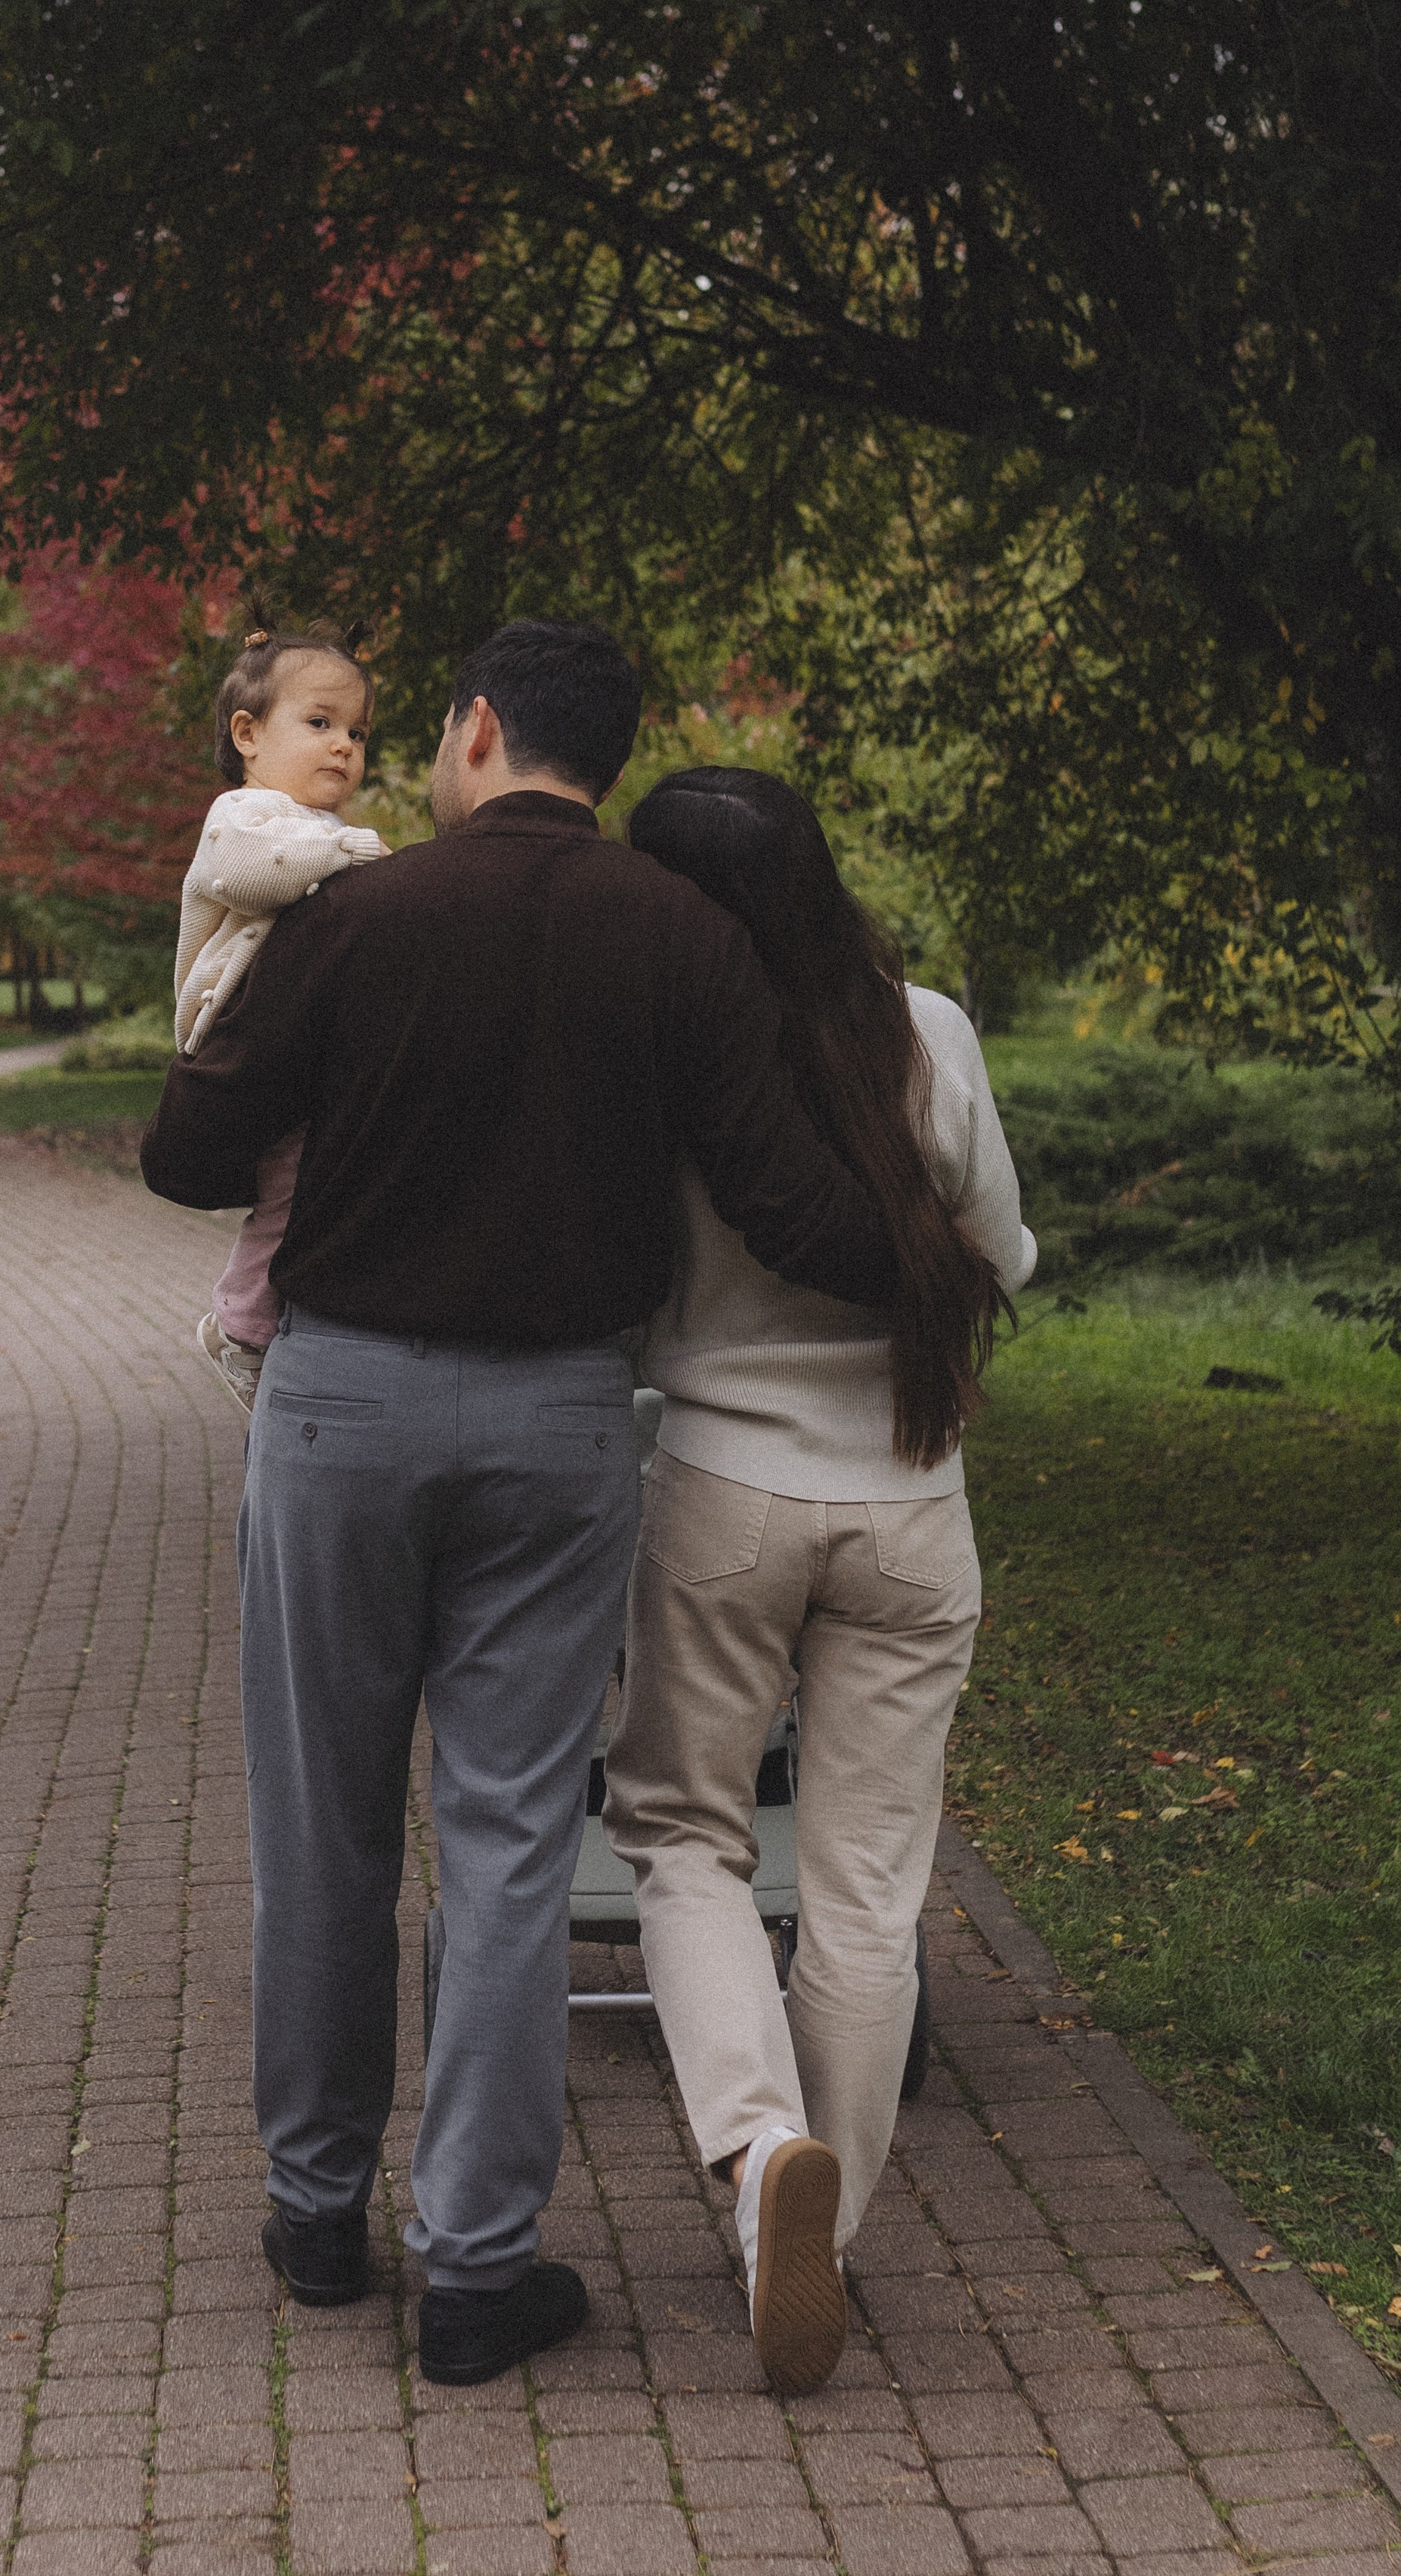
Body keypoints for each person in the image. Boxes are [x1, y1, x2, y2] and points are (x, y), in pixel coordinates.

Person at [140, 620, 899, 2389]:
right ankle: (476, 2267)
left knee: (321, 1821)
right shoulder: (681, 935)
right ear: (603, 755)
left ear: (476, 729)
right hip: (559, 1421)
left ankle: (318, 2213)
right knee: (503, 1846)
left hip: (338, 1407)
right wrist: (945, 1278)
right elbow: (787, 1201)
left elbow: (186, 1155)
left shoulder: (351, 914)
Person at [601, 766, 1036, 2395]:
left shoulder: (658, 1059)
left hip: (717, 1488)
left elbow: (622, 1293)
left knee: (684, 1837)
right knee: (866, 1891)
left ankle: (756, 2160)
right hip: (915, 1505)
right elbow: (1006, 1255)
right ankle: (826, 2240)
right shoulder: (927, 1027)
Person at [177, 618, 388, 1417]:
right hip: (232, 1030)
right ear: (248, 735)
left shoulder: (322, 831)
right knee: (292, 1188)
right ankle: (238, 1325)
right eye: (320, 723)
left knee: (310, 1181)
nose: (344, 746)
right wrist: (354, 857)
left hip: (290, 1035)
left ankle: (273, 1317)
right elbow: (245, 875)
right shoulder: (244, 814)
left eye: (358, 732)